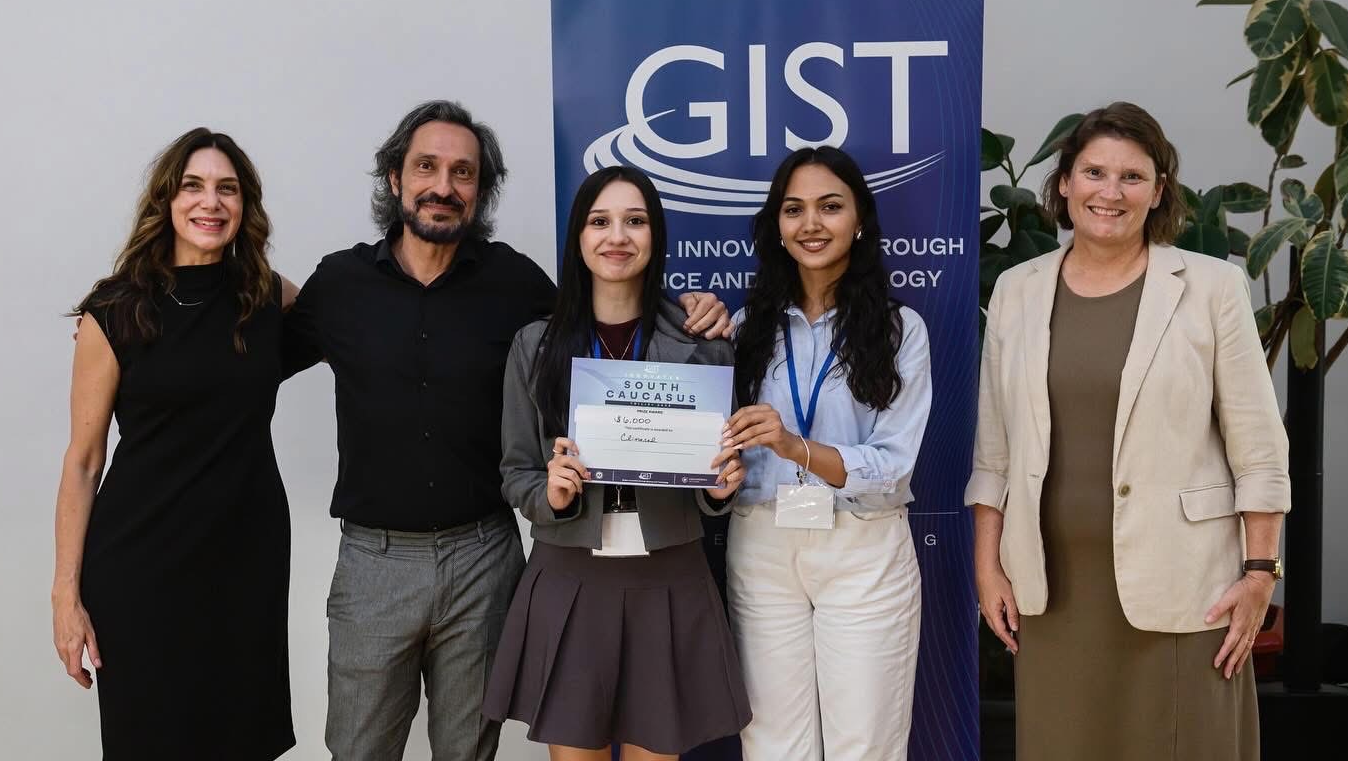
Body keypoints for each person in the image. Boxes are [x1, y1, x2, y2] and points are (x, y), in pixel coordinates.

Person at [283, 101, 731, 761]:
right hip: (375, 562)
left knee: (469, 752)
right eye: (426, 167)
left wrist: (689, 306)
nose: (443, 186)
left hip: (484, 558)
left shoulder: (515, 284)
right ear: (395, 178)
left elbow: (606, 311)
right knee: (357, 749)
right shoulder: (341, 284)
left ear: (481, 189)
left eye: (463, 172)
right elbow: (252, 360)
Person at [967, 102, 1291, 761]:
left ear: (1159, 190)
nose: (1110, 192)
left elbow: (1259, 448)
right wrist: (987, 566)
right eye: (1094, 172)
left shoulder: (1212, 288)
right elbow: (994, 452)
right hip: (1053, 591)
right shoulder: (1016, 291)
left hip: (1183, 583)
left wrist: (1261, 572)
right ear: (1064, 182)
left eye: (1132, 176)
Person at [483, 165, 752, 760]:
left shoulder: (704, 344)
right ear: (578, 237)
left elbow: (717, 482)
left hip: (670, 580)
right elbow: (516, 470)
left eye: (635, 221)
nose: (617, 236)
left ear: (656, 236)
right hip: (569, 580)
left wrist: (721, 488)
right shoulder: (535, 344)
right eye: (599, 221)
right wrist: (548, 494)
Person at [51, 129, 297, 760]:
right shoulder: (115, 311)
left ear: (245, 206)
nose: (210, 202)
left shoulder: (267, 299)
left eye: (227, 189)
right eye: (193, 186)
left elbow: (361, 329)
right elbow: (83, 462)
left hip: (246, 563)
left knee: (241, 740)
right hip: (141, 569)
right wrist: (65, 594)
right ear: (166, 199)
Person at [724, 146, 933, 761]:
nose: (811, 224)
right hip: (762, 544)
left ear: (859, 219)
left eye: (830, 207)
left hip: (862, 547)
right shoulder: (745, 327)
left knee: (865, 746)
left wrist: (794, 446)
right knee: (770, 745)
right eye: (794, 209)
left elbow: (893, 464)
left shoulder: (900, 330)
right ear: (776, 225)